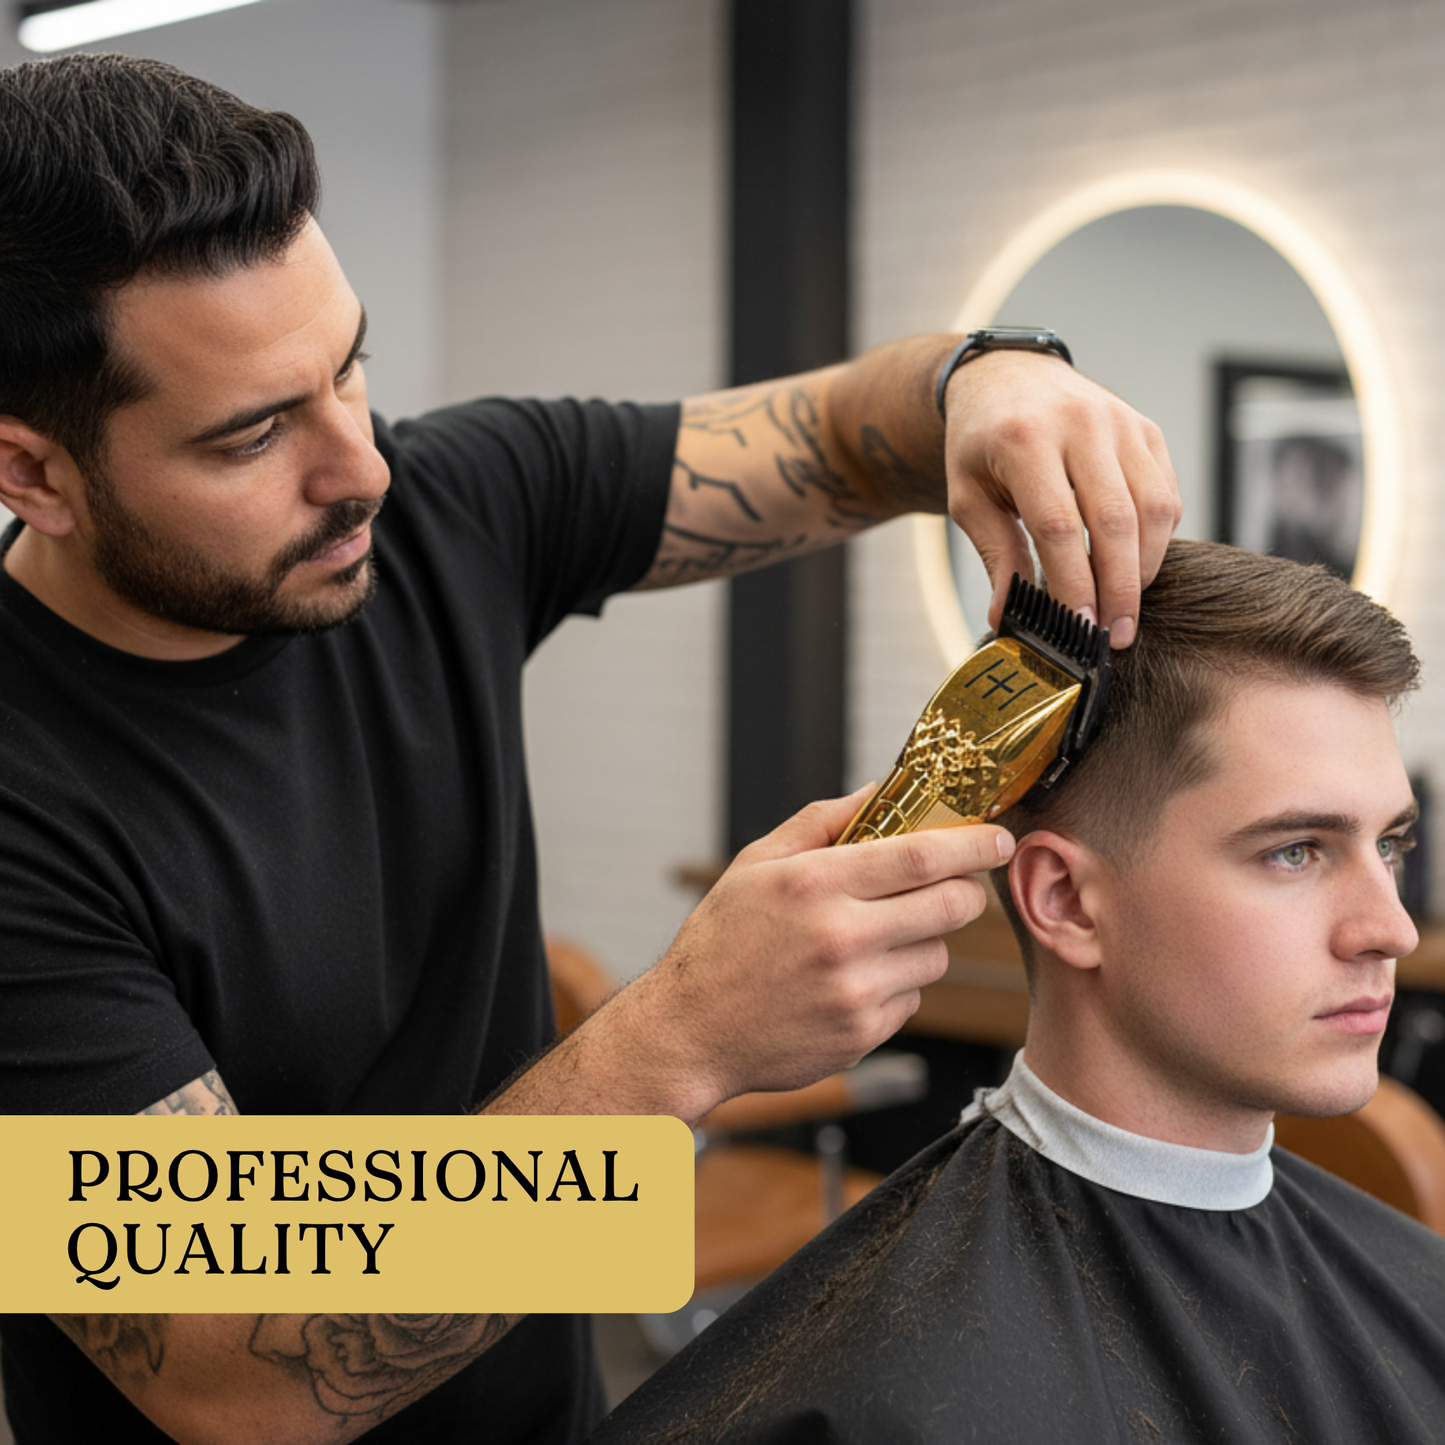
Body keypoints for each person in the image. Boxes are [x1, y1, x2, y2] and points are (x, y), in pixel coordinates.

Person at [0, 52, 1179, 1445]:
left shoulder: (446, 505)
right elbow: (237, 1372)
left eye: (349, 368)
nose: (358, 465)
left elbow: (844, 438)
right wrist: (683, 1038)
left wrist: (986, 384)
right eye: (255, 432)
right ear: (32, 473)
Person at [589, 539, 1445, 1445]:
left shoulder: (1419, 1286)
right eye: (1294, 850)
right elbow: (419, 1274)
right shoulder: (874, 1396)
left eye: (1388, 844)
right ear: (1065, 900)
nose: (1389, 927)